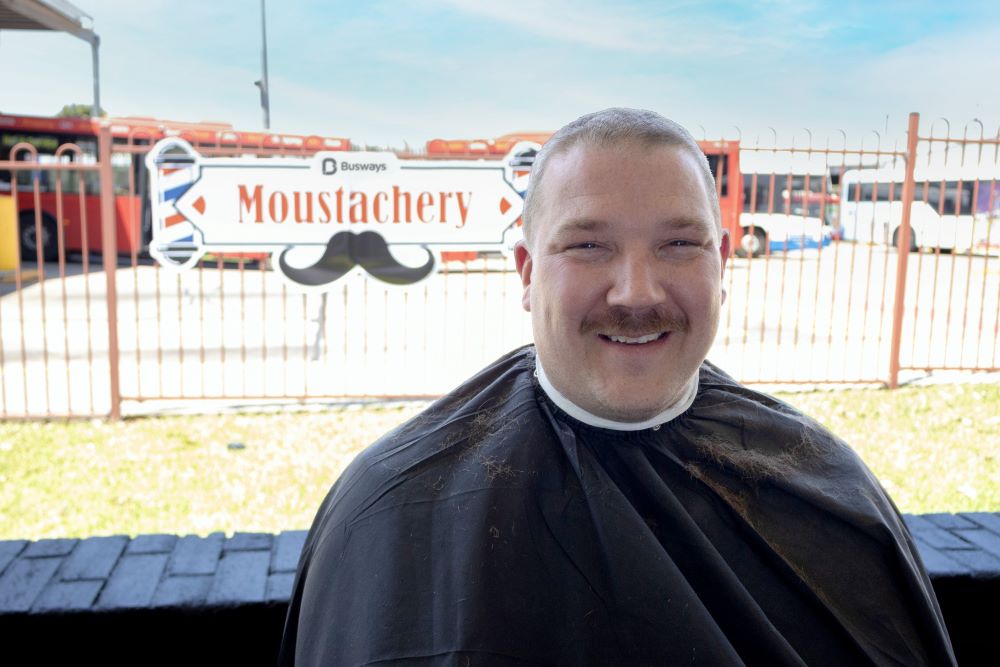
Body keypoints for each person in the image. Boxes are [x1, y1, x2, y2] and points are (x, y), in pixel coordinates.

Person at [278, 108, 956, 665]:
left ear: (722, 263)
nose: (636, 292)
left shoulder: (831, 493)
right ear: (525, 270)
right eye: (588, 246)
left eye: (678, 245)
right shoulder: (391, 507)